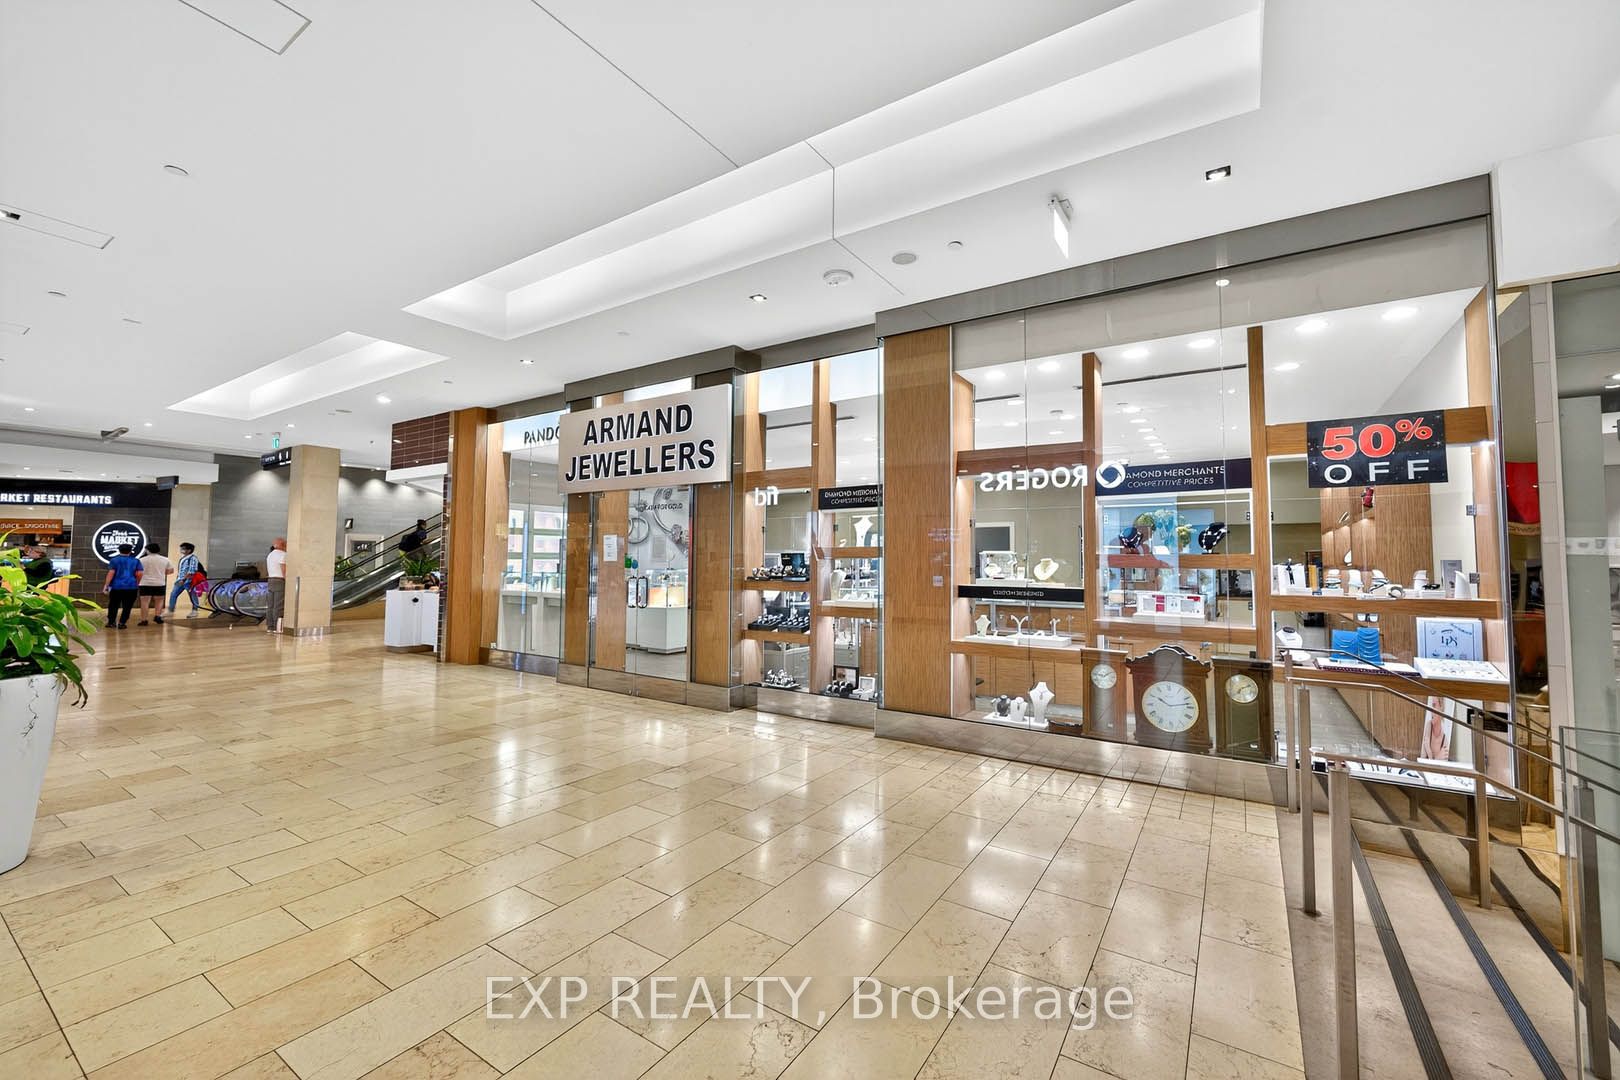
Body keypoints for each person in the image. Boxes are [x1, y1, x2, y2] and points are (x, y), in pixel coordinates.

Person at [102, 544, 143, 630]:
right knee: (127, 606)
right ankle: (122, 623)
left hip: (116, 586)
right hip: (131, 587)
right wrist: (137, 582)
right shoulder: (136, 561)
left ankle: (111, 622)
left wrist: (106, 585)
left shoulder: (114, 560)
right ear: (130, 551)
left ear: (119, 550)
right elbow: (139, 573)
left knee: (113, 605)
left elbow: (111, 573)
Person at [137, 542, 174, 625]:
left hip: (145, 583)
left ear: (148, 550)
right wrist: (161, 572)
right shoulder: (165, 559)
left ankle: (144, 620)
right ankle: (157, 617)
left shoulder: (141, 560)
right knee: (159, 601)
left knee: (145, 602)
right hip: (159, 583)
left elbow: (138, 572)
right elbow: (171, 571)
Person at [170, 542, 204, 618]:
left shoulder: (193, 558)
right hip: (180, 580)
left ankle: (194, 611)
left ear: (189, 550)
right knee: (173, 594)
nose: (181, 550)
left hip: (188, 581)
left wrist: (184, 580)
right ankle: (170, 611)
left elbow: (192, 571)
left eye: (183, 549)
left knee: (193, 596)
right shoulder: (183, 558)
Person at [265, 537, 287, 633]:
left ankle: (270, 627)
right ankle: (277, 627)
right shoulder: (283, 555)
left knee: (270, 605)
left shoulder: (270, 555)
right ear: (283, 545)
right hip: (279, 581)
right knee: (279, 605)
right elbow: (284, 571)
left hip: (270, 580)